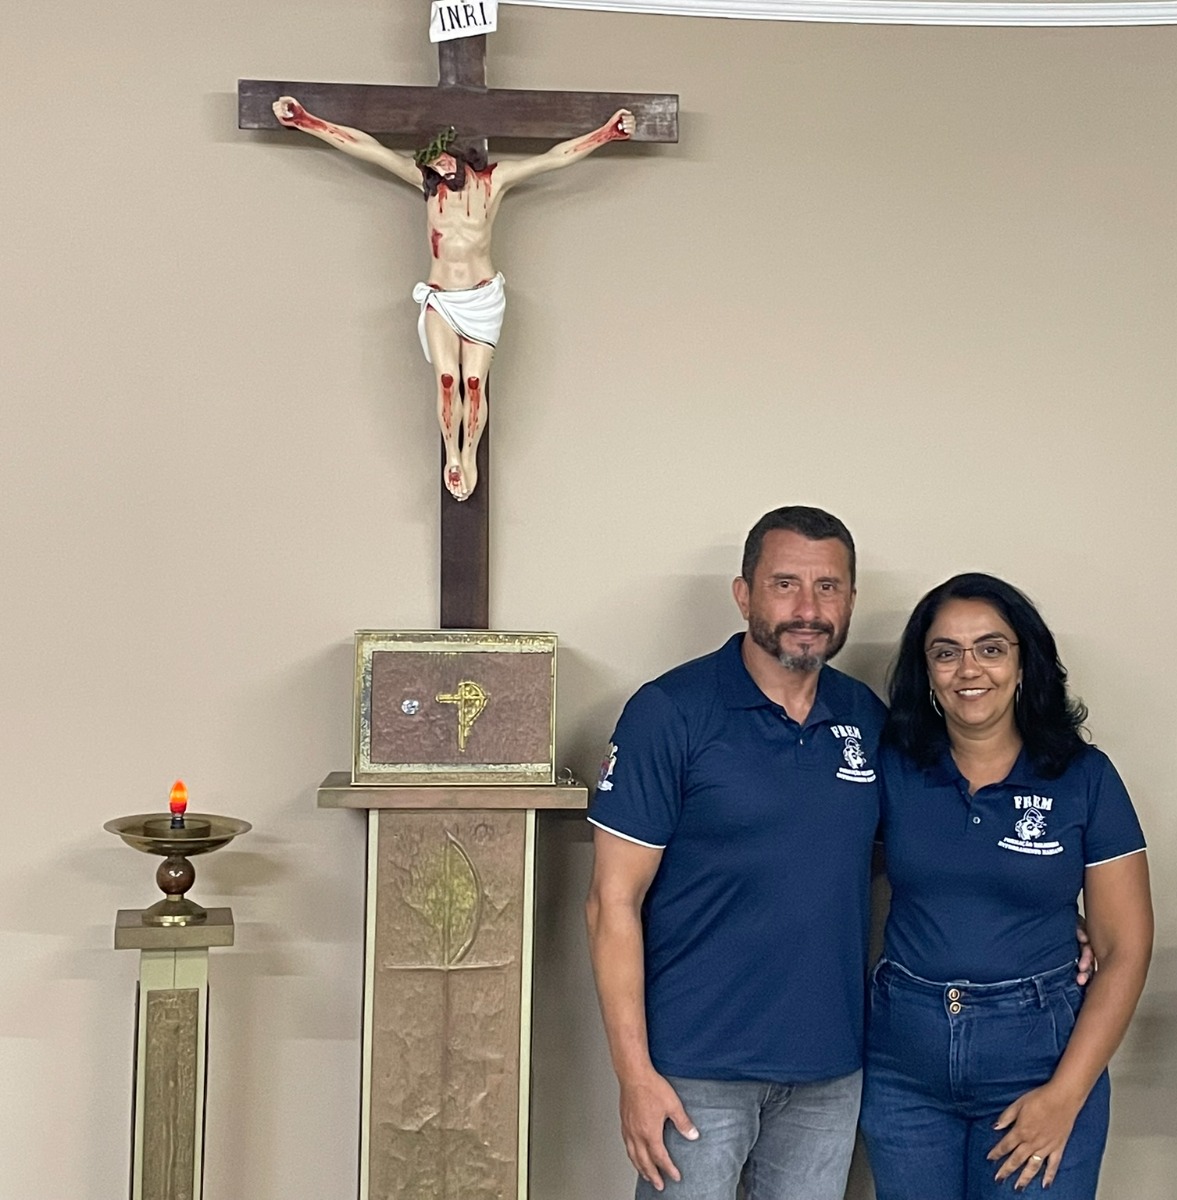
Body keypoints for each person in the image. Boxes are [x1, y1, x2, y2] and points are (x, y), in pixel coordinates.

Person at [585, 506, 886, 1199]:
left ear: (850, 600)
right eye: (785, 584)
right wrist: (634, 1074)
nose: (807, 609)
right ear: (744, 594)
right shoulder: (671, 711)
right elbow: (610, 903)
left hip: (829, 1070)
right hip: (695, 1070)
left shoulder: (868, 718)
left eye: (828, 587)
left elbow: (930, 855)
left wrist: (1057, 916)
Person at [860, 574, 1153, 1200]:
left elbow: (1125, 950)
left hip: (1039, 1063)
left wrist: (1065, 1096)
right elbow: (819, 863)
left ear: (1024, 664)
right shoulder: (892, 770)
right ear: (926, 671)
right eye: (946, 652)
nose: (969, 669)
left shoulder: (1085, 777)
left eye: (991, 648)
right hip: (903, 1068)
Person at [270, 96, 635, 500]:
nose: (440, 168)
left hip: (482, 297)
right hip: (441, 298)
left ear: (459, 153)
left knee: (474, 383)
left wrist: (607, 133)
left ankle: (470, 454)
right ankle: (452, 456)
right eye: (433, 164)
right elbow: (368, 149)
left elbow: (553, 158)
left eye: (444, 159)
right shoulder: (427, 187)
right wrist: (307, 121)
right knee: (447, 381)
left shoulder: (494, 181)